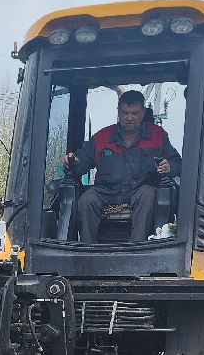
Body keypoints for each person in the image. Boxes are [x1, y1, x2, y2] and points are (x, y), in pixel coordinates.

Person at [63, 90, 182, 244]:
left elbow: (177, 162)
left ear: (143, 113)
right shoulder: (102, 137)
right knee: (86, 200)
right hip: (105, 191)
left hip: (139, 189)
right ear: (118, 112)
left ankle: (136, 248)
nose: (130, 118)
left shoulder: (158, 136)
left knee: (148, 194)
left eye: (135, 113)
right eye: (125, 113)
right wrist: (73, 161)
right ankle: (88, 251)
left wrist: (169, 167)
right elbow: (82, 161)